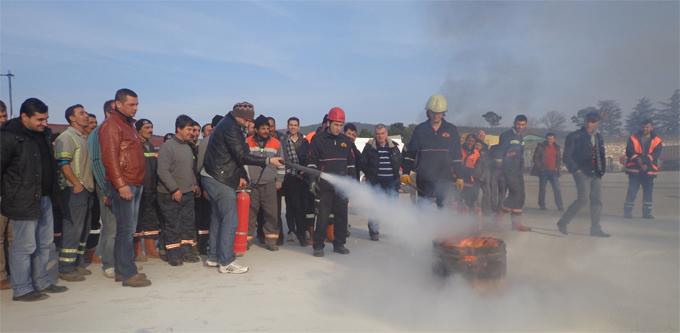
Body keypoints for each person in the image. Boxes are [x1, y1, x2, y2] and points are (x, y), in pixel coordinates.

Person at [201, 102, 283, 273]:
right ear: (242, 117)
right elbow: (242, 155)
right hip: (219, 178)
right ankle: (226, 261)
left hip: (212, 175)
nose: (249, 124)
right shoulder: (231, 128)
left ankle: (214, 256)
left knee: (218, 217)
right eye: (248, 121)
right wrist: (267, 160)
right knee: (231, 219)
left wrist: (242, 176)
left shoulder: (227, 124)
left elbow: (234, 156)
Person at [1, 98, 67, 301]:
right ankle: (22, 288)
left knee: (45, 243)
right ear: (24, 117)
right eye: (39, 119)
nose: (44, 123)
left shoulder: (44, 135)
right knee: (25, 245)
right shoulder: (9, 137)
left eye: (46, 119)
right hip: (23, 199)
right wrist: (10, 194)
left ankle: (42, 281)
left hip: (45, 197)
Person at [100, 88, 151, 287]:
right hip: (125, 184)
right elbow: (110, 158)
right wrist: (121, 184)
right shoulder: (112, 125)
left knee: (128, 229)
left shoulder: (128, 124)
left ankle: (124, 270)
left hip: (134, 182)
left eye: (137, 104)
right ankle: (128, 273)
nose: (135, 108)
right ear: (118, 104)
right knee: (125, 230)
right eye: (131, 104)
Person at [307, 107, 356, 257]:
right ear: (329, 123)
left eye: (341, 125)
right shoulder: (318, 140)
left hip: (341, 187)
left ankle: (339, 244)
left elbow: (351, 165)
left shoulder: (346, 141)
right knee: (322, 216)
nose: (338, 128)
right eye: (336, 124)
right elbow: (311, 163)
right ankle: (318, 246)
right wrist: (312, 181)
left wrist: (351, 184)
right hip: (324, 186)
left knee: (342, 216)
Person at [55, 104, 96, 281]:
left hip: (86, 188)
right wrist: (75, 183)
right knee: (73, 228)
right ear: (72, 118)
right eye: (81, 113)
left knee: (83, 227)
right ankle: (66, 267)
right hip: (74, 190)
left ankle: (77, 262)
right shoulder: (67, 137)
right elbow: (63, 163)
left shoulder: (84, 137)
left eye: (85, 113)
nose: (86, 116)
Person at [402, 94, 463, 208]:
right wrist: (405, 172)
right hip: (424, 177)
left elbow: (456, 156)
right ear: (428, 112)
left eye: (438, 113)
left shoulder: (451, 129)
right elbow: (410, 154)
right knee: (423, 208)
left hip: (445, 177)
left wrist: (459, 176)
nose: (435, 115)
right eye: (433, 112)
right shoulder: (420, 129)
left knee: (443, 209)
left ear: (443, 113)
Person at [557, 111, 610, 237]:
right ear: (584, 121)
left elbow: (601, 154)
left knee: (597, 201)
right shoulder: (574, 136)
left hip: (596, 172)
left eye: (593, 122)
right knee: (583, 199)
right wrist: (576, 169)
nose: (589, 124)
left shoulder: (599, 137)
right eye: (588, 121)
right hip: (581, 172)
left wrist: (602, 169)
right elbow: (567, 156)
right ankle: (563, 222)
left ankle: (595, 228)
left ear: (597, 123)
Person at [156, 115, 200, 266]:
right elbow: (162, 171)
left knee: (188, 224)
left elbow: (189, 169)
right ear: (178, 129)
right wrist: (174, 189)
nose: (191, 132)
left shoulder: (188, 147)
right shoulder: (167, 146)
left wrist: (194, 184)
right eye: (188, 129)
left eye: (192, 129)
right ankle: (173, 255)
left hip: (188, 193)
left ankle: (187, 252)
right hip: (170, 194)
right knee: (172, 224)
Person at [245, 115, 285, 251]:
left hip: (269, 184)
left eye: (268, 128)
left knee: (272, 214)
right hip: (252, 184)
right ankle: (247, 240)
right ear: (256, 129)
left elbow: (281, 164)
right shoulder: (247, 142)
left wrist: (279, 180)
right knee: (250, 214)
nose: (266, 131)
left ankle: (271, 241)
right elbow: (242, 162)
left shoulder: (276, 143)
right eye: (263, 128)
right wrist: (245, 179)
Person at [87, 99, 117, 278]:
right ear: (108, 112)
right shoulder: (99, 133)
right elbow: (97, 163)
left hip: (120, 187)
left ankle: (119, 260)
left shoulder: (116, 130)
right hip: (108, 187)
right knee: (110, 226)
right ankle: (109, 263)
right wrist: (106, 190)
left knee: (120, 226)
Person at [360, 124, 401, 241]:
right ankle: (374, 231)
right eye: (378, 134)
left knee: (393, 208)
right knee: (374, 208)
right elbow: (363, 162)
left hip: (391, 183)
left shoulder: (394, 147)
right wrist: (370, 174)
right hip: (375, 183)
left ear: (386, 134)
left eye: (382, 133)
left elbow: (399, 160)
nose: (380, 136)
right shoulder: (369, 147)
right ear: (375, 135)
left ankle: (398, 230)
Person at [493, 115, 532, 231]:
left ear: (526, 125)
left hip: (518, 170)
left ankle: (516, 224)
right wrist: (500, 169)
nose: (520, 126)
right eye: (518, 124)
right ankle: (498, 216)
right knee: (515, 193)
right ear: (514, 123)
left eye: (523, 125)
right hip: (508, 170)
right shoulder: (507, 135)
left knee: (521, 195)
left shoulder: (520, 137)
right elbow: (499, 153)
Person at [280, 116, 311, 246]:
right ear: (288, 126)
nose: (293, 127)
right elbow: (283, 159)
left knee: (301, 206)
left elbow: (308, 157)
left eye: (295, 125)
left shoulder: (304, 142)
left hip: (302, 177)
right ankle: (293, 231)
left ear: (298, 126)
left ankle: (301, 232)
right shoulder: (283, 141)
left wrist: (303, 170)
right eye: (291, 125)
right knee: (291, 206)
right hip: (289, 176)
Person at [623, 119, 663, 219]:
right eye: (644, 127)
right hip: (635, 170)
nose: (645, 129)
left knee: (648, 193)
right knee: (632, 191)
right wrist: (639, 161)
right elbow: (629, 151)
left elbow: (656, 154)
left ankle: (647, 213)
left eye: (648, 127)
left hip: (649, 170)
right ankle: (627, 212)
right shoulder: (632, 138)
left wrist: (644, 161)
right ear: (641, 127)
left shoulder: (657, 140)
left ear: (652, 127)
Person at [134, 119, 161, 259]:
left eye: (151, 127)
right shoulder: (135, 145)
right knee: (137, 220)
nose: (150, 130)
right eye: (147, 127)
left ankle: (151, 249)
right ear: (139, 130)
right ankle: (137, 251)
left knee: (151, 219)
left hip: (152, 189)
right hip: (138, 188)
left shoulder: (151, 146)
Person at [531, 133, 564, 211]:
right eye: (548, 139)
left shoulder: (557, 147)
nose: (550, 140)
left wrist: (558, 167)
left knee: (557, 189)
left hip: (553, 172)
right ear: (546, 139)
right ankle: (542, 205)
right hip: (544, 171)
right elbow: (535, 158)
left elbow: (559, 159)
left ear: (554, 139)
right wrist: (540, 167)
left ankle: (560, 206)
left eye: (551, 139)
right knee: (542, 189)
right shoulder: (541, 147)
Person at [0, 99, 11, 290]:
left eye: (4, 116)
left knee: (12, 238)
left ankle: (11, 272)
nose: (2, 120)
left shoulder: (9, 137)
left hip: (10, 194)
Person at [458, 134, 482, 214]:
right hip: (459, 175)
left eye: (472, 141)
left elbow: (478, 165)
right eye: (469, 140)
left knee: (471, 197)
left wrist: (475, 175)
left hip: (471, 176)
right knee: (458, 197)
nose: (470, 143)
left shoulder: (476, 153)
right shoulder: (459, 150)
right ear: (466, 140)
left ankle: (470, 214)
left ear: (475, 142)